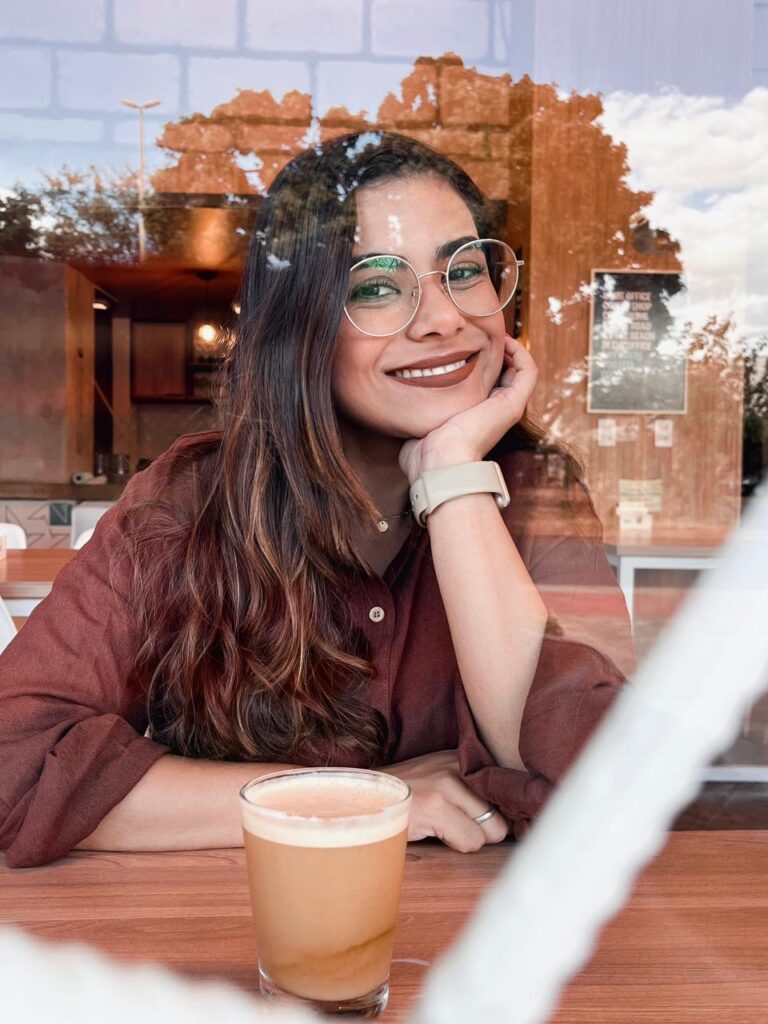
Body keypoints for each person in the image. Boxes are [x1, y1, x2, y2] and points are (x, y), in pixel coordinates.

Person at [0, 131, 633, 868]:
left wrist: (453, 474)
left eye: (465, 271)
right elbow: (16, 764)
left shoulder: (535, 493)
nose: (442, 318)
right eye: (375, 286)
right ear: (301, 326)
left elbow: (604, 783)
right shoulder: (193, 499)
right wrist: (357, 799)